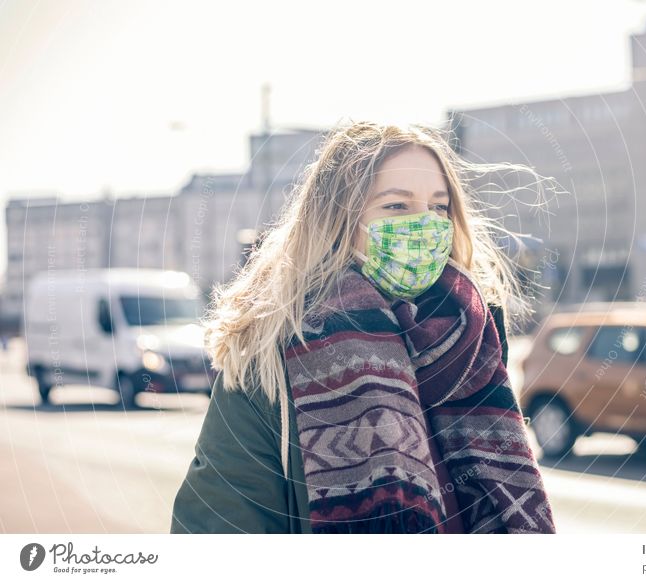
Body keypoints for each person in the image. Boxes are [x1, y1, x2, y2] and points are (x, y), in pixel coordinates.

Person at [170, 120, 557, 534]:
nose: (424, 224)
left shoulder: (473, 345)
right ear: (338, 221)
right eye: (396, 206)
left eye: (439, 207)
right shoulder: (271, 359)